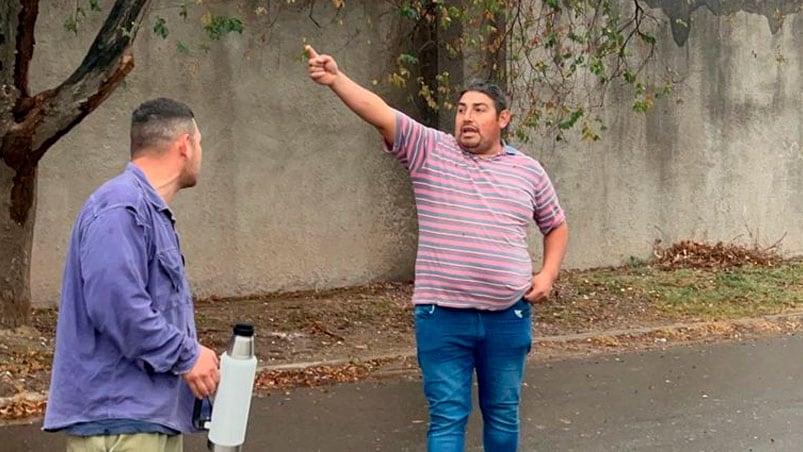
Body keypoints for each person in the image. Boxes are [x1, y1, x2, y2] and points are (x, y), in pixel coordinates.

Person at [306, 45, 569, 451]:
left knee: (503, 411)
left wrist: (548, 274)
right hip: (443, 316)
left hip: (508, 316)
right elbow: (379, 110)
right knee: (447, 415)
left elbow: (556, 225)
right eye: (462, 108)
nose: (466, 116)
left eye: (479, 109)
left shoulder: (528, 171)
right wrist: (337, 79)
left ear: (503, 119)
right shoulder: (430, 150)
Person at [43, 98, 220, 452]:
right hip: (121, 426)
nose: (201, 151)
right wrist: (187, 355)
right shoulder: (121, 208)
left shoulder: (147, 211)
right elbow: (118, 306)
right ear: (184, 145)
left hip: (146, 419)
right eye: (199, 142)